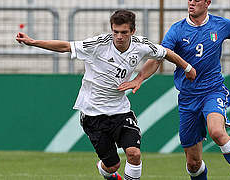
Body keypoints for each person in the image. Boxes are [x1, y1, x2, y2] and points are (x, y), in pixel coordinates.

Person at [16, 9, 196, 180]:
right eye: (115, 32)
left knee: (134, 153)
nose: (119, 36)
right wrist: (33, 42)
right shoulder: (98, 44)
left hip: (120, 111)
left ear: (132, 31)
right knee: (112, 166)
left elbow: (165, 54)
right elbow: (65, 46)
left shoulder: (141, 45)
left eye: (124, 32)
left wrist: (185, 68)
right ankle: (106, 170)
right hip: (93, 114)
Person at [118, 1, 230, 180]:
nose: (191, 3)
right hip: (188, 98)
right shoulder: (177, 30)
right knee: (193, 163)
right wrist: (139, 78)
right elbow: (159, 57)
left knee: (217, 132)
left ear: (207, 3)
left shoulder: (221, 25)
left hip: (213, 91)